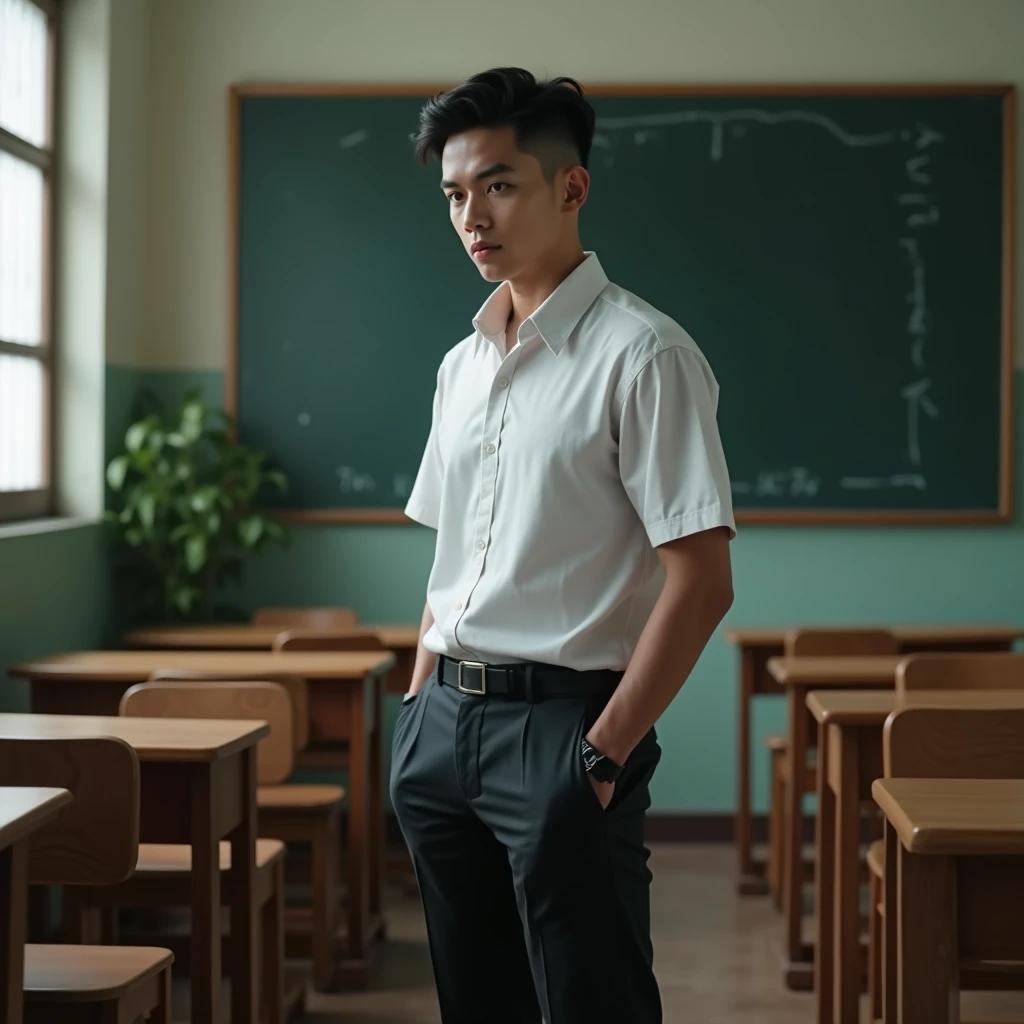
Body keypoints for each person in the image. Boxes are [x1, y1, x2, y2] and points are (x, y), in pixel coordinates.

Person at [390, 67, 736, 1024]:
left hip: (564, 729)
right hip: (442, 728)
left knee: (595, 1002)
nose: (472, 217)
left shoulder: (644, 354)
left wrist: (601, 755)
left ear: (570, 187)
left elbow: (702, 582)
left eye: (498, 185)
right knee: (476, 1002)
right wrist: (418, 704)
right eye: (455, 194)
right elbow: (451, 552)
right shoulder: (459, 367)